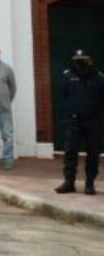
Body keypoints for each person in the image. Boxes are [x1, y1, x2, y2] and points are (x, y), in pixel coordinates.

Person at [55, 50, 104, 195]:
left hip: (92, 121)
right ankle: (69, 182)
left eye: (83, 59)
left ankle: (90, 184)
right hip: (73, 121)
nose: (79, 62)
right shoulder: (68, 76)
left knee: (93, 153)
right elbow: (64, 96)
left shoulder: (99, 78)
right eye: (77, 59)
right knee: (70, 152)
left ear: (90, 60)